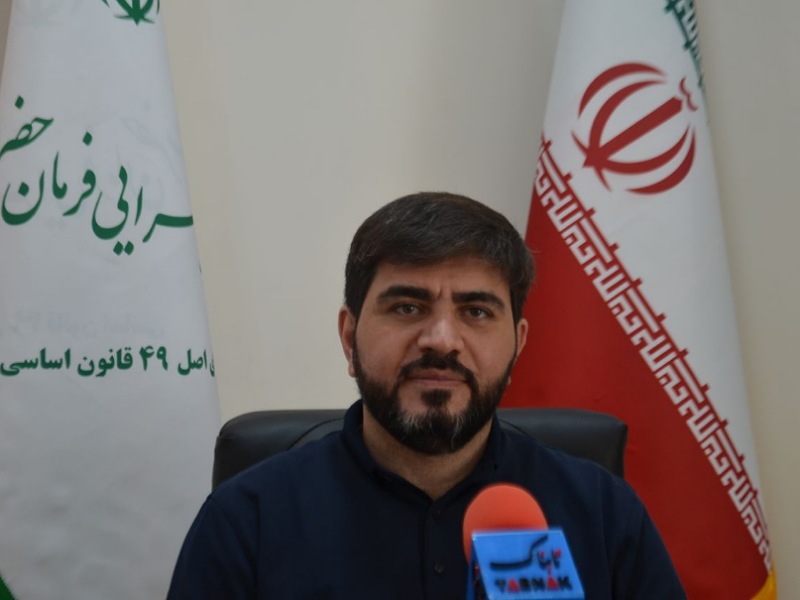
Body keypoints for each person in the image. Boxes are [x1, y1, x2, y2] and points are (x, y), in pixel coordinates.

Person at [167, 192, 686, 599]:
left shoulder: (604, 515)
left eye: (476, 311)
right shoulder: (246, 522)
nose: (441, 339)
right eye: (407, 307)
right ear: (349, 337)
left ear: (518, 344)